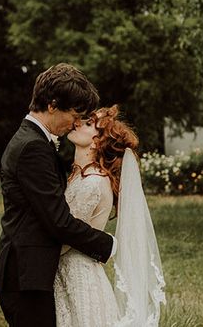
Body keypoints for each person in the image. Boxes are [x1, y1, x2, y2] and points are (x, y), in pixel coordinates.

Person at [0, 63, 115, 327]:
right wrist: (108, 244)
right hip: (24, 276)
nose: (77, 122)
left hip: (27, 273)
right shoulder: (33, 146)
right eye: (75, 114)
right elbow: (57, 220)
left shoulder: (34, 140)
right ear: (53, 105)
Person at [55, 105, 165, 327]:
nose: (77, 122)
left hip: (78, 279)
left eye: (87, 123)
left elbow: (63, 236)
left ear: (97, 141)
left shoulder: (93, 182)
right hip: (69, 276)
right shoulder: (79, 176)